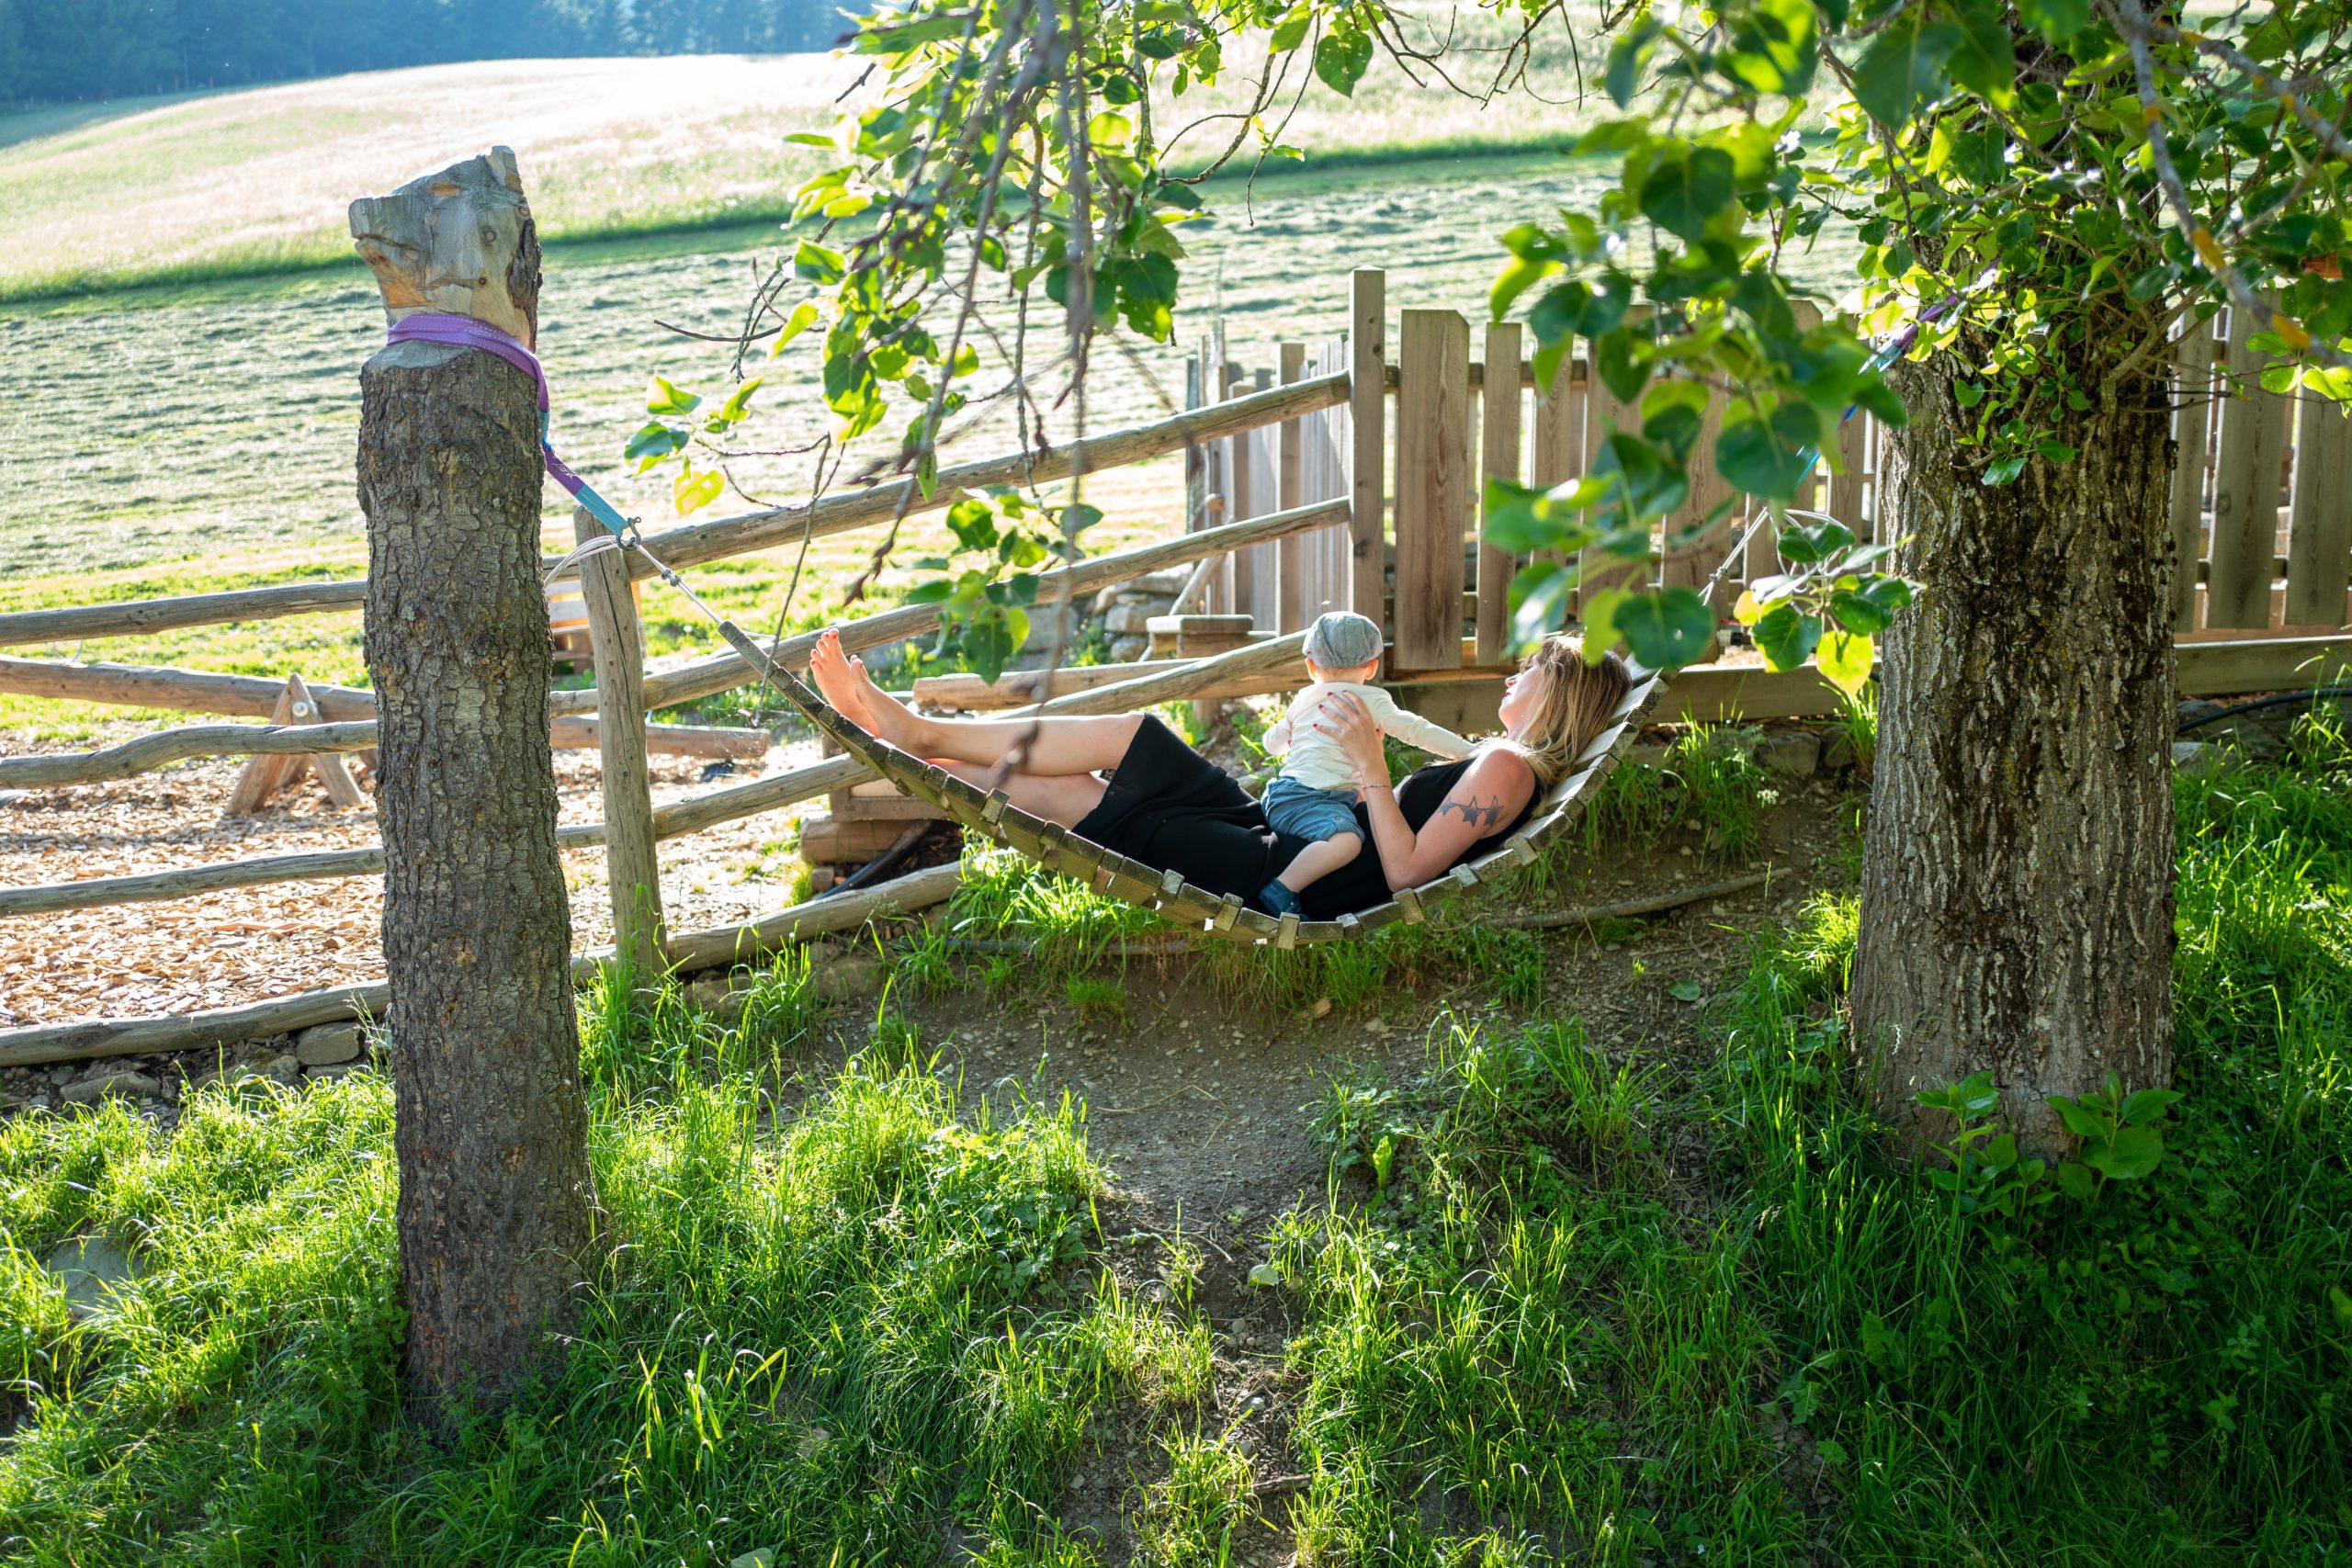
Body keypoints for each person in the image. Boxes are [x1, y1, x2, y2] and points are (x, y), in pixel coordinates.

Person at [806, 626, 1634, 919]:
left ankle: (920, 736)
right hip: (1287, 836)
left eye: (1528, 672)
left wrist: (1373, 769)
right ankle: (924, 747)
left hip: (1296, 875)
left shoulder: (1508, 770)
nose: (1509, 681)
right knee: (1113, 765)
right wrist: (1350, 778)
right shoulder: (1496, 764)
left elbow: (1411, 869)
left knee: (1114, 779)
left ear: (1555, 692)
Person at [1254, 610, 1474, 917]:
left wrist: (1290, 734)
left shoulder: (1304, 697)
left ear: (1311, 666)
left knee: (1354, 809)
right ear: (1371, 667)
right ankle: (1282, 888)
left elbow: (1270, 743)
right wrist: (1470, 751)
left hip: (1285, 794)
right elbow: (1417, 731)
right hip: (1306, 800)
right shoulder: (1371, 699)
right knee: (1348, 843)